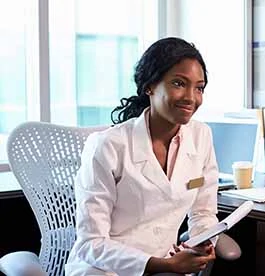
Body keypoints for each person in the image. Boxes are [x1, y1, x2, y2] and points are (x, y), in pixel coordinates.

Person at [65, 37, 219, 275]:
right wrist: (163, 265)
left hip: (166, 267)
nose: (191, 97)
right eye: (179, 83)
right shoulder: (108, 146)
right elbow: (90, 243)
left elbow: (203, 212)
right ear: (150, 86)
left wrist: (204, 240)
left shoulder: (201, 136)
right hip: (104, 269)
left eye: (199, 88)